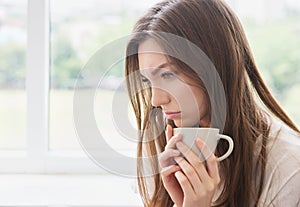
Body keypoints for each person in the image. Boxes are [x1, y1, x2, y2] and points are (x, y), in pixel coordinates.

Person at [124, 0, 300, 206]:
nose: (156, 100)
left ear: (214, 67)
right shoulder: (162, 153)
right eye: (147, 80)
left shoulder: (287, 166)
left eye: (168, 74)